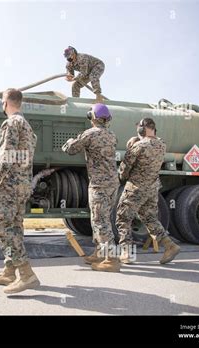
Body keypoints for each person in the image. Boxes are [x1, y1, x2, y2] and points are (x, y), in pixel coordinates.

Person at [0, 88, 38, 294]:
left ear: (5, 103)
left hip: (9, 185)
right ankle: (9, 270)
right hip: (22, 184)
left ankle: (26, 274)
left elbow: (5, 156)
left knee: (3, 228)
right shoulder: (27, 126)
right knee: (15, 227)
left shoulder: (11, 123)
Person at [62, 103, 121, 272]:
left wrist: (69, 141)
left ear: (92, 117)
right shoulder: (112, 135)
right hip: (112, 183)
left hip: (99, 184)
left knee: (99, 221)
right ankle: (99, 253)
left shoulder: (90, 134)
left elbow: (71, 149)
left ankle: (112, 259)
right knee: (102, 218)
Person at [116, 118, 181, 264]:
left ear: (142, 129)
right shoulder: (161, 144)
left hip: (136, 188)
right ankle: (170, 245)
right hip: (152, 188)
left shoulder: (138, 146)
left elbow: (124, 170)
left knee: (123, 217)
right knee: (150, 218)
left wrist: (131, 147)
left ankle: (126, 252)